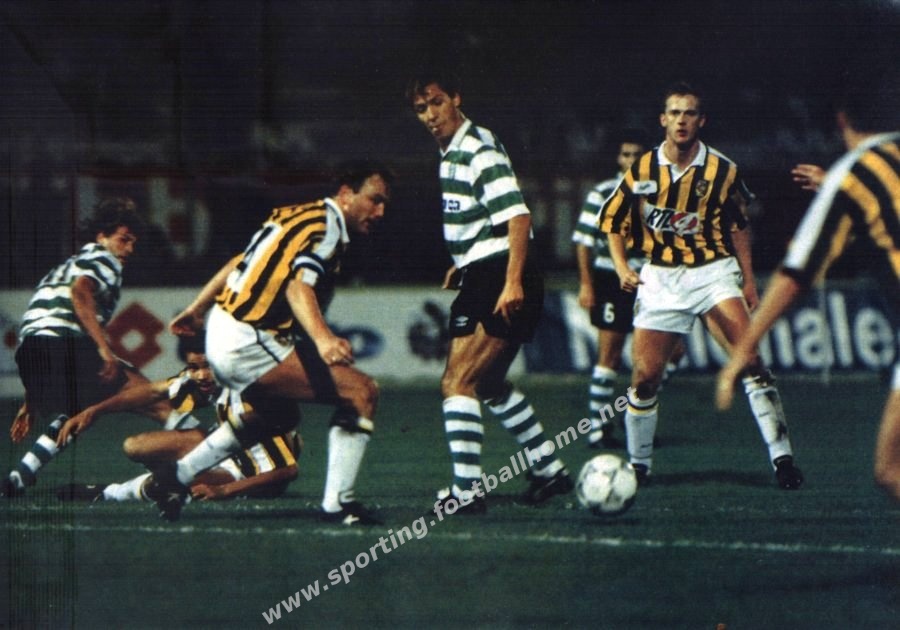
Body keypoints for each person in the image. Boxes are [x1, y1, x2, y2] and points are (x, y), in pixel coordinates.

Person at [144, 161, 392, 524]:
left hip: (227, 329)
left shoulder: (295, 215)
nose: (380, 211)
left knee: (278, 415)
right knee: (361, 391)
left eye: (384, 203)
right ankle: (338, 504)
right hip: (249, 337)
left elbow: (240, 261)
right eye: (374, 200)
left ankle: (177, 475)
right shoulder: (327, 228)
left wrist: (198, 308)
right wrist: (323, 339)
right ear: (345, 194)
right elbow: (298, 286)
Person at [598, 81, 804, 489]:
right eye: (674, 113)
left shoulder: (722, 170)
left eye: (689, 113)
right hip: (661, 278)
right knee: (644, 379)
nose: (681, 121)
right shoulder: (642, 169)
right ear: (663, 120)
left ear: (701, 120)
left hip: (713, 273)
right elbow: (612, 222)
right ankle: (639, 467)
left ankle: (783, 461)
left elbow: (738, 223)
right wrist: (621, 267)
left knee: (751, 360)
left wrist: (747, 279)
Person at [717, 66, 900, 500]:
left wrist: (742, 351)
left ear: (841, 119)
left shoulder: (852, 176)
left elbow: (794, 274)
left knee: (891, 469)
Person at [408, 68, 574, 514]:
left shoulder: (476, 150)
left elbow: (518, 217)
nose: (430, 115)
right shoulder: (453, 151)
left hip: (498, 275)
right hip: (484, 270)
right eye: (421, 108)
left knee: (457, 382)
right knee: (488, 383)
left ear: (456, 98)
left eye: (437, 103)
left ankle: (467, 492)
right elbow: (484, 218)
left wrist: (511, 281)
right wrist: (462, 261)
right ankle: (549, 469)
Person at [4, 198, 175, 497]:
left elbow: (40, 329)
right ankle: (211, 454)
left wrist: (30, 403)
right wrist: (104, 350)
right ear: (101, 236)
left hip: (30, 354)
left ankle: (21, 475)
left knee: (82, 407)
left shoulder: (63, 267)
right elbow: (80, 292)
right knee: (153, 397)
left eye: (133, 243)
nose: (129, 249)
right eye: (123, 239)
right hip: (64, 345)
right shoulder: (105, 259)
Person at [56, 333, 300, 503]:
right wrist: (94, 411)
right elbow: (153, 391)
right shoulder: (207, 381)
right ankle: (172, 481)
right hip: (231, 454)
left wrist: (224, 490)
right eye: (194, 368)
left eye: (208, 366)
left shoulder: (247, 397)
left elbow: (287, 471)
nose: (202, 375)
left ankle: (110, 493)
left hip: (249, 475)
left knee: (170, 484)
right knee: (136, 446)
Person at [573, 133, 684, 448]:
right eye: (626, 154)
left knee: (674, 353)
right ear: (618, 158)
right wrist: (586, 284)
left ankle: (632, 409)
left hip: (650, 279)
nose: (631, 160)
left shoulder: (660, 192)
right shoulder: (603, 192)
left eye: (637, 154)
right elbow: (583, 241)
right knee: (609, 354)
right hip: (611, 277)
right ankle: (598, 429)